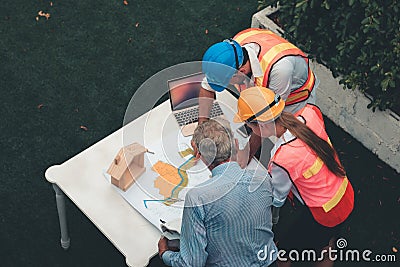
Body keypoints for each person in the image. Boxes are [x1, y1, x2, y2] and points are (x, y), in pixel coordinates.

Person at [233, 86, 354, 267]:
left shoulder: (282, 158)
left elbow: (277, 198)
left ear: (262, 126)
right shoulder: (310, 112)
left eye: (249, 126)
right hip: (345, 193)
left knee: (284, 252)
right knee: (328, 243)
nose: (250, 130)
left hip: (325, 213)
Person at [158, 119, 277, 266]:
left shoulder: (197, 198)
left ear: (201, 157)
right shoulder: (264, 179)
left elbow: (192, 263)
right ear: (236, 144)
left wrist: (165, 254)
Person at [199, 28, 320, 165]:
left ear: (241, 72)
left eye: (227, 82)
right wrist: (201, 133)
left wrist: (246, 154)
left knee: (290, 142)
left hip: (296, 99)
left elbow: (266, 117)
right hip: (268, 90)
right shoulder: (232, 52)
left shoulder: (279, 71)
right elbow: (206, 87)